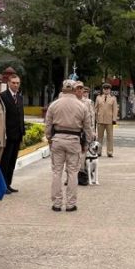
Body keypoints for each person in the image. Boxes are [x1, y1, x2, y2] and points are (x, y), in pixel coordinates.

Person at [44, 80, 94, 211]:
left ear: (62, 88)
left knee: (56, 172)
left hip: (58, 140)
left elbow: (48, 125)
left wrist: (50, 139)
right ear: (73, 89)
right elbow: (88, 127)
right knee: (72, 173)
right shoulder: (81, 106)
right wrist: (87, 143)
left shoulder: (54, 105)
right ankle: (71, 204)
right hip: (74, 140)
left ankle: (57, 203)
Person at [0, 74, 25, 192]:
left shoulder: (19, 97)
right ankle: (3, 185)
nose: (15, 85)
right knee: (5, 161)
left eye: (17, 83)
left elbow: (21, 116)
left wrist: (22, 132)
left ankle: (8, 184)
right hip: (8, 135)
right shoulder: (3, 96)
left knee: (12, 162)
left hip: (17, 134)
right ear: (9, 83)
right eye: (13, 82)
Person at [95, 83, 119, 157]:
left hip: (110, 120)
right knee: (99, 137)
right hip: (100, 120)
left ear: (110, 90)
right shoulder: (98, 98)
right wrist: (95, 118)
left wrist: (114, 120)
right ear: (103, 90)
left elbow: (115, 110)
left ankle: (110, 151)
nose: (106, 90)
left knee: (110, 137)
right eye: (105, 89)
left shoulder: (113, 98)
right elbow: (96, 108)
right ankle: (98, 151)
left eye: (108, 89)